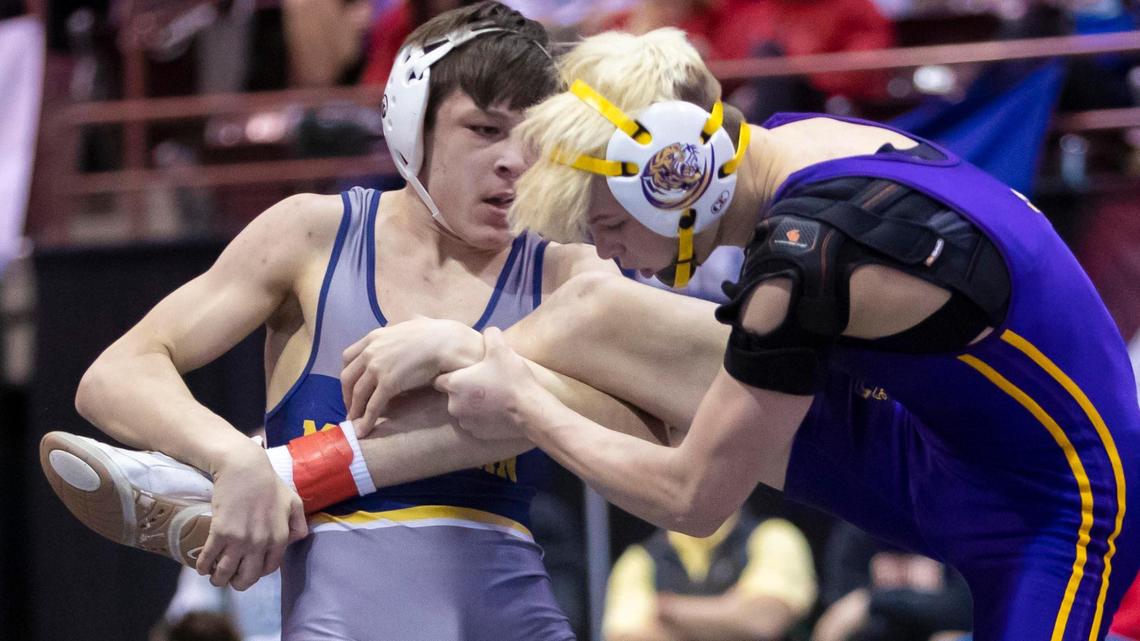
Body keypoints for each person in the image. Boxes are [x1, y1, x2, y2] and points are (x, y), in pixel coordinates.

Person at [423, 27, 1140, 641]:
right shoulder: (796, 140)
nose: (609, 251)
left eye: (607, 226)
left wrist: (525, 405)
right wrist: (482, 358)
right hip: (926, 444)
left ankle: (419, 406)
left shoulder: (804, 261)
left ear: (674, 176)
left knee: (570, 378)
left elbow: (692, 502)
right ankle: (333, 459)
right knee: (592, 315)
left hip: (1063, 503)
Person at [40, 4, 667, 640]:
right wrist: (235, 458)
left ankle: (239, 477)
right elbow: (115, 374)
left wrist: (467, 352)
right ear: (411, 128)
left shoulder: (566, 269)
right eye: (484, 129)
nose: (515, 161)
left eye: (536, 138)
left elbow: (661, 442)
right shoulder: (313, 236)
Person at [603, 507, 816, 641]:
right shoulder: (639, 559)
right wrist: (732, 609)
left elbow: (763, 621)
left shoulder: (775, 535)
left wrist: (668, 610)